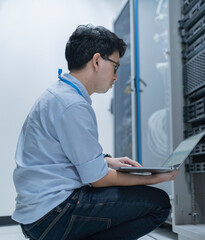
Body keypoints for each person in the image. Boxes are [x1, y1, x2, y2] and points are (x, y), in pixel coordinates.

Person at [12, 24, 178, 240]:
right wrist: (154, 178)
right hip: (53, 216)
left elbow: (64, 154)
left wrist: (109, 161)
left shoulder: (59, 94)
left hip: (37, 214)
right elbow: (97, 179)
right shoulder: (73, 105)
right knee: (159, 204)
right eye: (116, 67)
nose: (116, 77)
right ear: (97, 61)